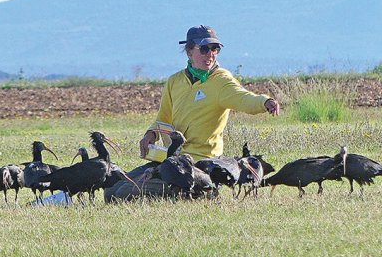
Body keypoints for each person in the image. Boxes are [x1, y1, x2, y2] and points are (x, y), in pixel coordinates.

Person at [105, 25, 280, 202]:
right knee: (111, 190)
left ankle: (197, 192)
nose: (210, 54)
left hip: (200, 165)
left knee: (123, 194)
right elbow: (163, 119)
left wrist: (264, 102)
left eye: (215, 49)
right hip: (170, 161)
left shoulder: (221, 81)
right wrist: (151, 134)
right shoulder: (175, 81)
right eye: (204, 49)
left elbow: (243, 98)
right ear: (189, 51)